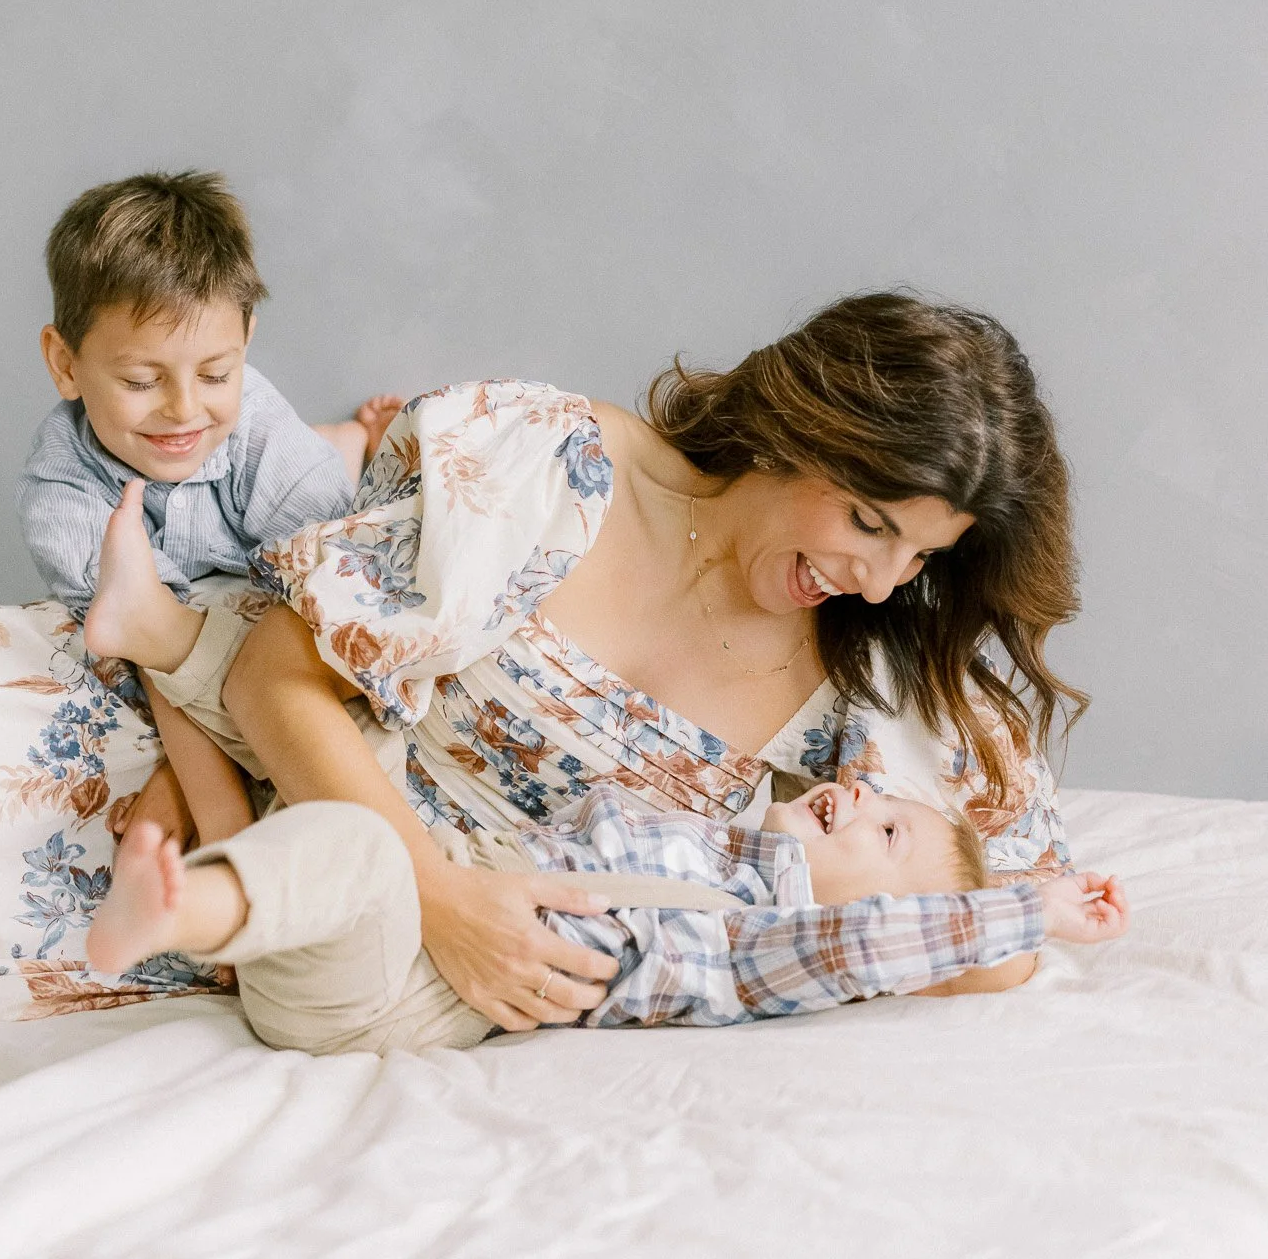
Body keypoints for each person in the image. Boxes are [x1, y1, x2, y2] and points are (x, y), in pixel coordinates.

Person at [83, 294, 1087, 1033]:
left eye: (919, 556)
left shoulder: (864, 691)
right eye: (868, 522)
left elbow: (1001, 934)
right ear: (803, 425)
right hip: (330, 849)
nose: (878, 581)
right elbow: (273, 673)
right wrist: (442, 899)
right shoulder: (566, 468)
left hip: (388, 984)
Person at [84, 780, 1127, 1055]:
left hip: (400, 996)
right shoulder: (713, 841)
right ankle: (182, 910)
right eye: (879, 797)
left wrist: (1021, 914)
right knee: (352, 830)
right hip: (390, 927)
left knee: (359, 848)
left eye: (887, 834)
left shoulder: (755, 951)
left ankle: (170, 919)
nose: (857, 797)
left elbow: (873, 944)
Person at [16, 169, 400, 845]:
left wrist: (207, 814)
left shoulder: (252, 420)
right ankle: (345, 442)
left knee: (367, 557)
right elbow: (153, 652)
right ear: (65, 363)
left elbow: (333, 591)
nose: (184, 409)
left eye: (216, 375)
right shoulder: (62, 497)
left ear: (246, 338)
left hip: (267, 558)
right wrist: (215, 813)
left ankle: (349, 446)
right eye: (141, 381)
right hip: (170, 618)